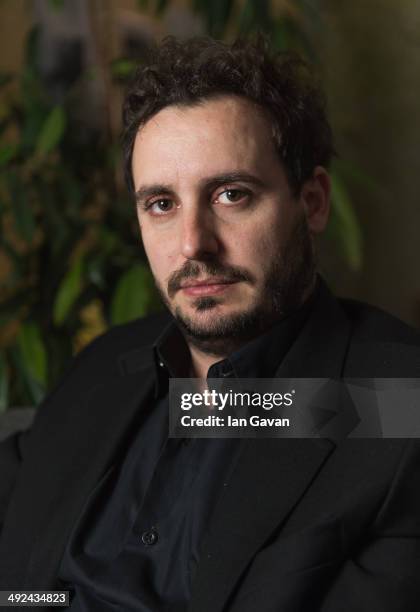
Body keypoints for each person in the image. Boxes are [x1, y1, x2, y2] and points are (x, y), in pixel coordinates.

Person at [1, 35, 420, 612]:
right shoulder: (104, 368)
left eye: (231, 194)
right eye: (162, 205)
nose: (193, 243)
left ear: (313, 201)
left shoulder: (397, 406)